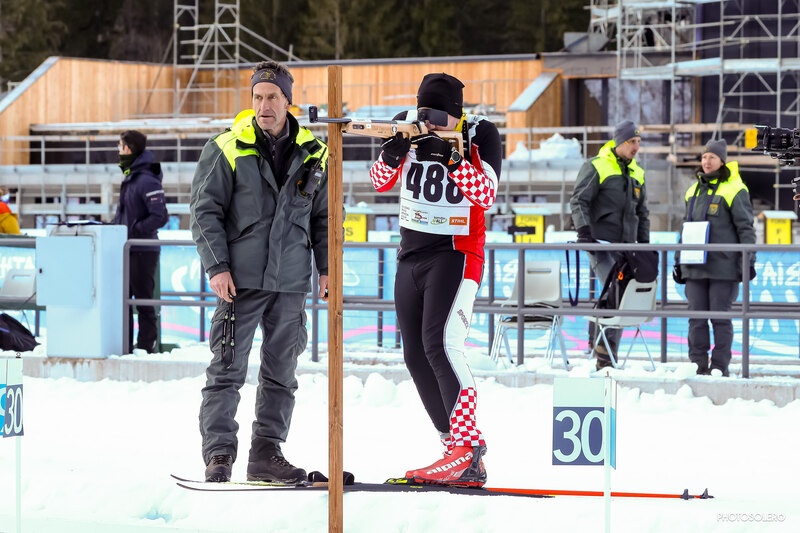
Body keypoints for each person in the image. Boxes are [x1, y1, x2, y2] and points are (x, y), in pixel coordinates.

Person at [190, 60, 329, 484]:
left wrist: (327, 269)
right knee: (227, 369)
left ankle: (267, 453)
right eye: (257, 97)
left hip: (290, 283)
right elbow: (204, 210)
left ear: (289, 101)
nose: (263, 105)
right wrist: (217, 266)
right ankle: (219, 453)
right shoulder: (227, 146)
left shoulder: (316, 153)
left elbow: (325, 219)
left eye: (272, 97)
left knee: (281, 374)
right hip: (240, 282)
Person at [368, 73, 500, 486]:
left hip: (456, 253)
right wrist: (391, 157)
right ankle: (452, 447)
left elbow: (486, 195)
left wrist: (452, 160)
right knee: (414, 355)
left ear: (457, 115)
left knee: (442, 345)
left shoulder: (480, 133)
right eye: (424, 113)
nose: (430, 123)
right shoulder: (406, 124)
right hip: (411, 254)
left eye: (440, 117)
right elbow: (377, 182)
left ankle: (468, 445)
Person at [570, 120, 650, 370]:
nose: (636, 147)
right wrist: (584, 232)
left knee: (613, 294)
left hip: (626, 246)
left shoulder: (637, 172)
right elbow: (579, 200)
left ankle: (598, 346)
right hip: (601, 244)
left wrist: (644, 246)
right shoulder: (596, 165)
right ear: (620, 142)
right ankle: (605, 355)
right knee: (616, 291)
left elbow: (642, 213)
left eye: (638, 142)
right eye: (632, 141)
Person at [673, 139, 755, 377]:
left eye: (712, 157)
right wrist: (678, 261)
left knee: (720, 318)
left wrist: (748, 261)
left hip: (724, 268)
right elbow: (685, 228)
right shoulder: (692, 191)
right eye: (704, 157)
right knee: (696, 319)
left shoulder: (735, 189)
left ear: (722, 161)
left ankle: (720, 366)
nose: (707, 161)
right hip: (694, 266)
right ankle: (697, 364)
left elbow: (746, 229)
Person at [112, 130, 169, 353]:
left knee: (143, 301)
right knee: (122, 299)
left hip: (143, 249)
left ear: (128, 148)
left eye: (119, 147)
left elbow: (160, 216)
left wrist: (135, 229)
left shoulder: (146, 179)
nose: (118, 151)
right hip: (128, 249)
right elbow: (125, 215)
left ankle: (146, 348)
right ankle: (124, 346)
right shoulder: (131, 177)